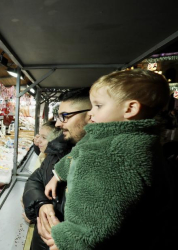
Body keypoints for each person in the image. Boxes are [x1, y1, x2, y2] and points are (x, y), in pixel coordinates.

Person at [43, 69, 173, 250]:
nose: (90, 113)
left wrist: (69, 239)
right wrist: (58, 174)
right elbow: (79, 152)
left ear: (130, 109)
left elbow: (101, 213)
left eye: (98, 106)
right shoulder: (108, 135)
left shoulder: (116, 151)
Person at [23, 88, 92, 250]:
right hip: (41, 243)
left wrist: (73, 244)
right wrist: (40, 204)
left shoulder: (108, 161)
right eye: (58, 116)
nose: (58, 123)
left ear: (91, 116)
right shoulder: (57, 149)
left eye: (65, 116)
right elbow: (35, 179)